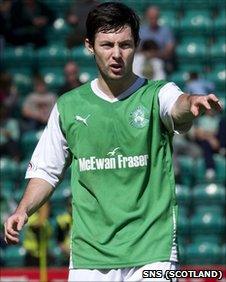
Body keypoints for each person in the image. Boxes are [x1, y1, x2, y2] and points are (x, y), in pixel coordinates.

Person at [4, 2, 222, 282]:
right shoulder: (68, 106)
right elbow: (46, 170)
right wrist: (23, 210)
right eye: (107, 45)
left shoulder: (157, 94)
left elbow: (177, 106)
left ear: (137, 46)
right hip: (90, 255)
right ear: (89, 45)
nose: (117, 54)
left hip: (152, 251)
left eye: (125, 45)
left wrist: (192, 101)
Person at [139, 6, 176, 73]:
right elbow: (137, 48)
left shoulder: (166, 31)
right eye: (151, 18)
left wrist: (154, 54)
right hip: (143, 62)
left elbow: (169, 51)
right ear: (147, 17)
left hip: (161, 62)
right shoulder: (141, 31)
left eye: (155, 17)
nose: (153, 20)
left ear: (158, 17)